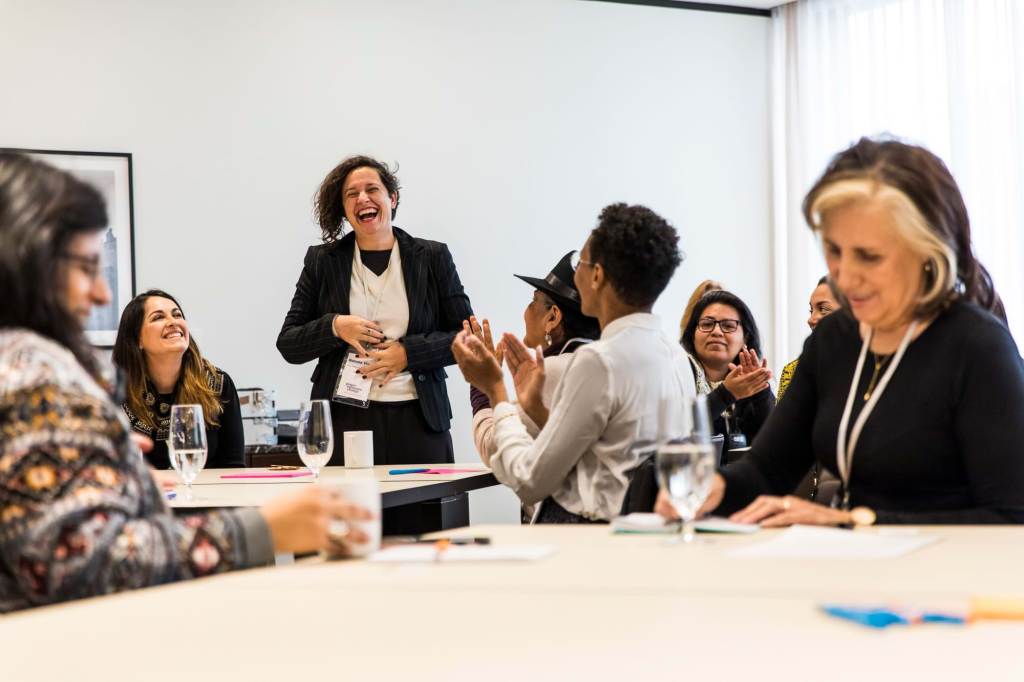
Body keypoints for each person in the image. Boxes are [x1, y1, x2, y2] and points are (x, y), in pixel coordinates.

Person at [0, 152, 370, 613]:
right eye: (86, 268)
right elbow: (81, 565)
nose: (101, 293)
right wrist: (265, 530)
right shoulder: (33, 377)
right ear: (29, 263)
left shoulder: (38, 370)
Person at [657, 137, 1024, 526]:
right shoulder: (833, 342)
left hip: (950, 578)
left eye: (869, 256)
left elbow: (1012, 516)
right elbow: (767, 471)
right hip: (855, 569)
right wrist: (715, 489)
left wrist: (857, 522)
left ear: (927, 252)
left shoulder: (978, 347)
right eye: (834, 250)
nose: (845, 276)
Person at [452, 203, 697, 523]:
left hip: (587, 539)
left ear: (596, 276)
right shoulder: (676, 357)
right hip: (646, 539)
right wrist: (539, 411)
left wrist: (494, 389)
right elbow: (610, 462)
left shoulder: (599, 361)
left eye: (580, 262)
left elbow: (529, 483)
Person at [277, 156, 472, 466]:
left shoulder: (432, 256)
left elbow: (466, 338)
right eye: (351, 194)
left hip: (419, 418)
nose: (363, 199)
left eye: (372, 189)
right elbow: (288, 343)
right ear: (343, 208)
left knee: (420, 513)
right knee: (354, 514)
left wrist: (409, 354)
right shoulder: (322, 261)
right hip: (345, 417)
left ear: (391, 198)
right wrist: (335, 326)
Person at [468, 250, 601, 464]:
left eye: (533, 301)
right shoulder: (598, 363)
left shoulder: (553, 371)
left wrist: (483, 387)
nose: (525, 311)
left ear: (552, 317)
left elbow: (494, 449)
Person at [113, 289, 244, 470]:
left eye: (177, 315)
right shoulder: (114, 391)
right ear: (137, 340)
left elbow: (233, 466)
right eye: (158, 317)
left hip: (210, 495)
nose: (173, 322)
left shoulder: (218, 384)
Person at [680, 289, 775, 461]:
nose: (716, 332)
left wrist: (761, 393)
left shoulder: (750, 376)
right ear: (692, 334)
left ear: (745, 337)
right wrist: (725, 394)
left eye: (728, 325)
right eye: (707, 324)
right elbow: (678, 428)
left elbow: (776, 441)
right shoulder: (679, 371)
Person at [776, 276, 841, 399]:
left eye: (823, 309)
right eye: (811, 310)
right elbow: (781, 418)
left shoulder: (871, 367)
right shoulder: (792, 371)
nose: (811, 320)